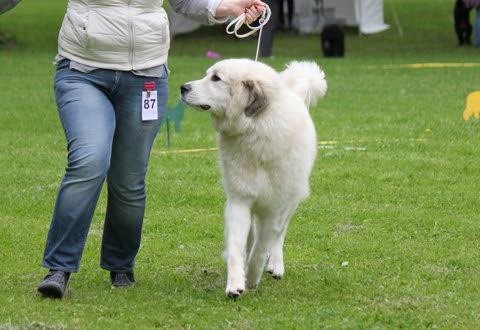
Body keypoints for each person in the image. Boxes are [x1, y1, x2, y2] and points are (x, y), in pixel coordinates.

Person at [35, 0, 265, 299]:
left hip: (146, 78)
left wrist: (229, 7)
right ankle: (59, 268)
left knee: (129, 179)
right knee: (89, 161)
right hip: (83, 70)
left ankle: (120, 266)